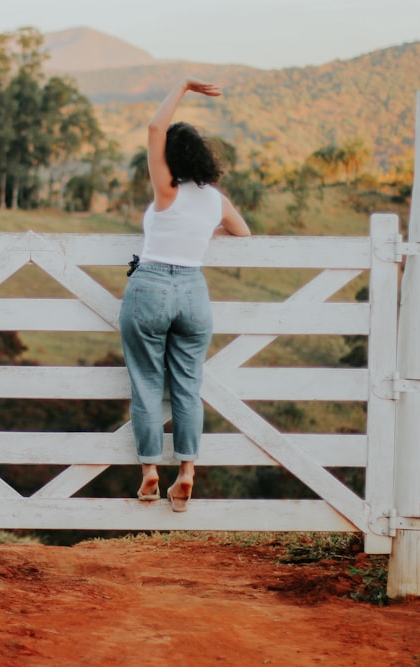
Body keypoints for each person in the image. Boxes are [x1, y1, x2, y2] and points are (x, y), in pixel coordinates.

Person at [119, 78, 251, 512]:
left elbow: (156, 129)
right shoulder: (213, 198)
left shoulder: (166, 190)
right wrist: (202, 231)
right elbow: (242, 231)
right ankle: (188, 473)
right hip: (194, 290)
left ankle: (150, 474)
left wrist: (182, 86)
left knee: (146, 384)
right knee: (188, 388)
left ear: (170, 159)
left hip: (151, 286)